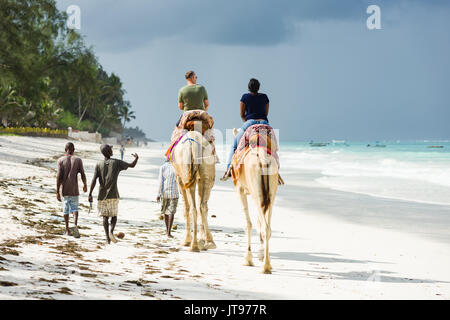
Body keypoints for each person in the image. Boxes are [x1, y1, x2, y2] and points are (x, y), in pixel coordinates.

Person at [88, 144, 139, 244]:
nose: (112, 150)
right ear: (108, 151)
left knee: (105, 217)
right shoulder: (116, 162)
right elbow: (131, 165)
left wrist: (90, 194)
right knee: (114, 216)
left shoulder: (99, 164)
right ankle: (111, 231)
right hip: (113, 194)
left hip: (102, 195)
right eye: (111, 149)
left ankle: (107, 237)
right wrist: (136, 158)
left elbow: (94, 180)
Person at [221, 78, 270, 180]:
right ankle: (276, 173)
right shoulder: (265, 97)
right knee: (272, 148)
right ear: (258, 87)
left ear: (249, 87)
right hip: (264, 123)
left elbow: (242, 114)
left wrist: (248, 121)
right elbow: (266, 113)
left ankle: (228, 171)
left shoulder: (245, 97)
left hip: (250, 122)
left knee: (234, 146)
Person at [56, 142, 87, 237]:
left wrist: (57, 191)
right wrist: (85, 184)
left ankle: (67, 230)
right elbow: (82, 173)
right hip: (74, 189)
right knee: (74, 208)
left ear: (65, 150)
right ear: (74, 150)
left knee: (66, 209)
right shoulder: (78, 160)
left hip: (65, 189)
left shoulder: (61, 160)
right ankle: (75, 225)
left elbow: (58, 176)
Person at [156, 160, 179, 238]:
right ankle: (168, 232)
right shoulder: (177, 166)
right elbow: (180, 180)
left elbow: (160, 182)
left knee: (165, 212)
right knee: (171, 212)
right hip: (174, 193)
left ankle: (167, 230)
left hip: (165, 192)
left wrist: (158, 194)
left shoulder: (162, 167)